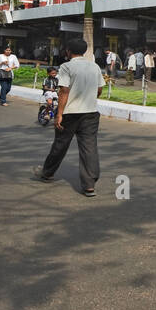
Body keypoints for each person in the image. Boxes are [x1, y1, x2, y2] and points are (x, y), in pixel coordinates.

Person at [33, 39, 105, 197]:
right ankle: (89, 185)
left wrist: (59, 114)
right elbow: (99, 89)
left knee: (60, 144)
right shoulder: (95, 66)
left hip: (70, 113)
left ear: (68, 51)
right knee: (89, 148)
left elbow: (64, 91)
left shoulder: (66, 66)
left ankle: (47, 173)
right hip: (90, 112)